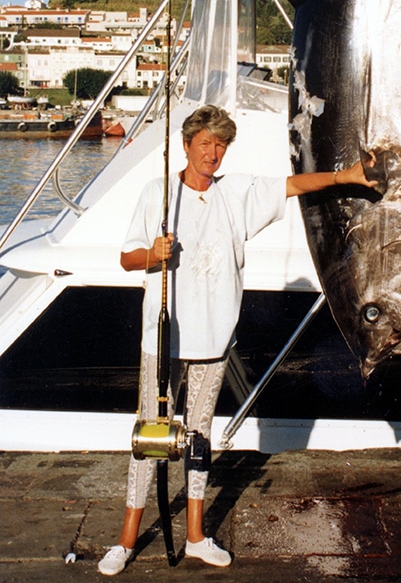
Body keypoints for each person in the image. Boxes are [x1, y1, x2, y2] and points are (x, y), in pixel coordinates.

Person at [98, 103, 376, 576]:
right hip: (163, 340)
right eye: (205, 143)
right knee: (149, 437)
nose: (213, 152)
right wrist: (154, 254)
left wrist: (346, 176)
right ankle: (124, 542)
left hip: (213, 338)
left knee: (200, 438)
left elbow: (292, 186)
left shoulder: (238, 193)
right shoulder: (158, 193)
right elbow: (127, 260)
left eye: (221, 144)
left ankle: (196, 537)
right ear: (187, 146)